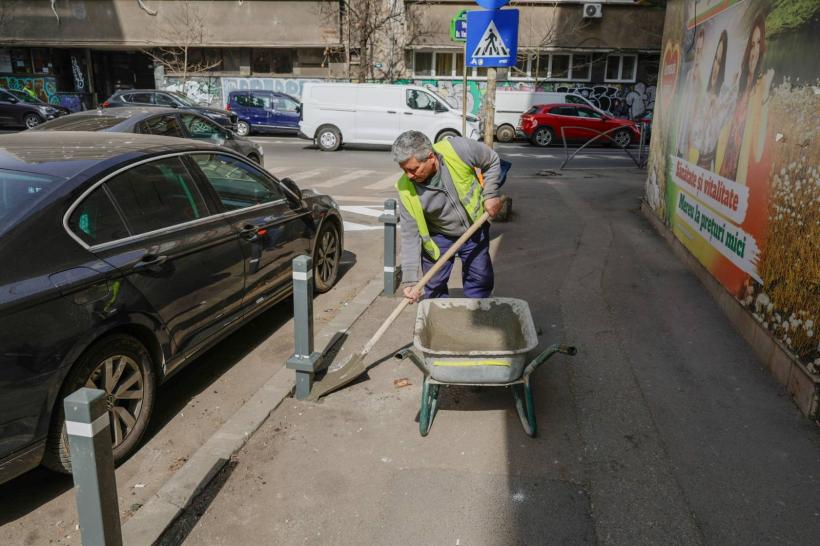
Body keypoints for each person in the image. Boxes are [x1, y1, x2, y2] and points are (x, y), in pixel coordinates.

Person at [391, 131, 503, 303]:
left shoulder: (458, 149)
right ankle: (439, 324)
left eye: (413, 169)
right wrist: (410, 280)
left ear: (430, 157)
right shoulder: (405, 189)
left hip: (474, 229)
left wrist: (491, 194)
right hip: (438, 237)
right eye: (404, 170)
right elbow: (409, 236)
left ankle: (477, 318)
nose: (409, 176)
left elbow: (492, 160)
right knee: (434, 287)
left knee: (479, 281)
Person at [718, 13, 774, 183]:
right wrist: (729, 89)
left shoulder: (760, 90)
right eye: (751, 45)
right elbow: (719, 124)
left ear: (762, 49)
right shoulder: (739, 87)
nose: (754, 51)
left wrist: (764, 96)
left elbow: (758, 151)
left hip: (737, 183)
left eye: (758, 44)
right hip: (720, 174)